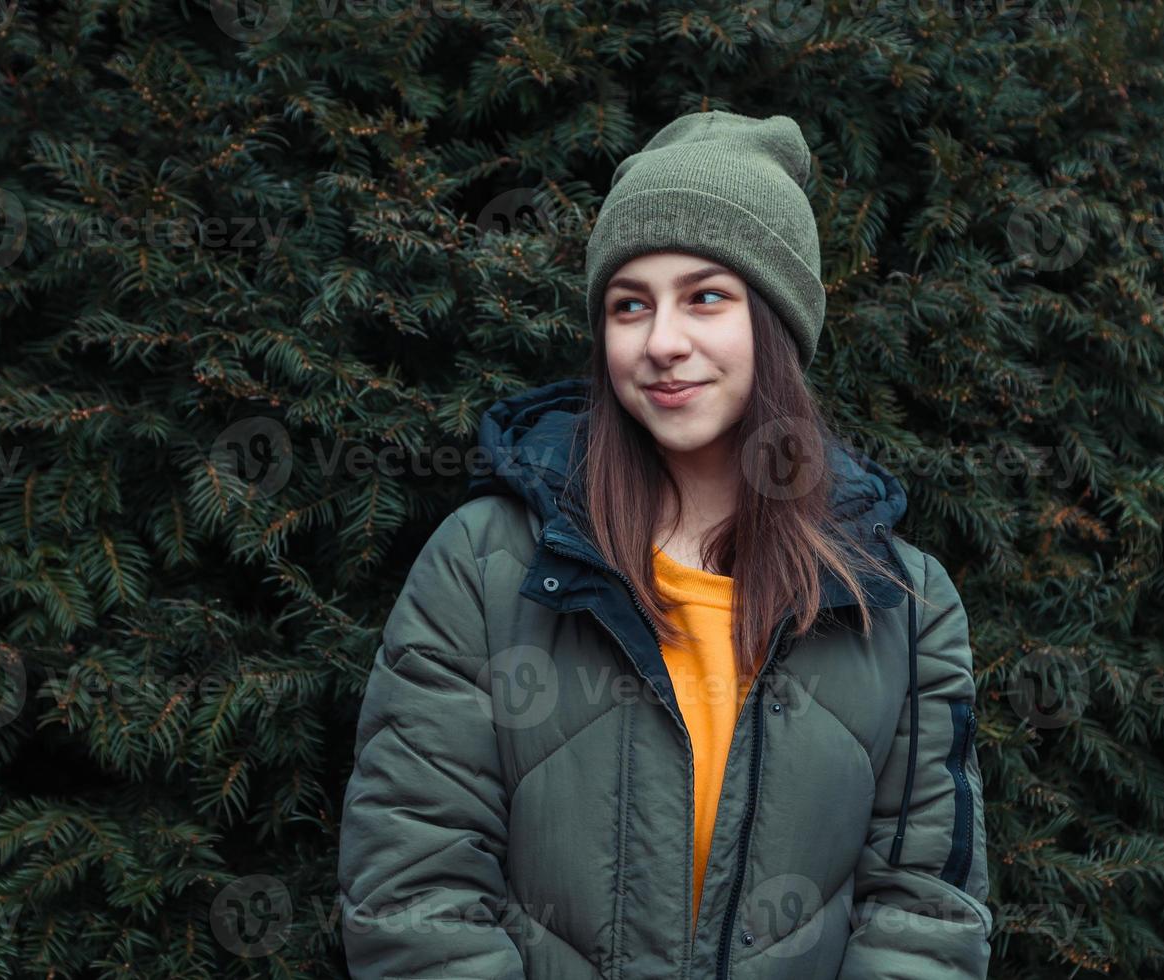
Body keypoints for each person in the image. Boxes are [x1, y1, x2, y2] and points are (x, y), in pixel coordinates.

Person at [338, 109, 992, 979]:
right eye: (628, 305)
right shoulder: (484, 565)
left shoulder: (901, 605)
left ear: (777, 324)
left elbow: (927, 913)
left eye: (706, 297)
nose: (662, 343)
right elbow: (411, 888)